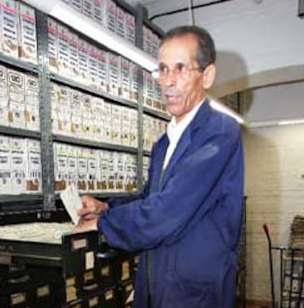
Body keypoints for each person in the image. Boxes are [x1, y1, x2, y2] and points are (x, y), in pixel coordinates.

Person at [74, 25, 244, 308]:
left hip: (194, 294)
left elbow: (165, 213)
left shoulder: (219, 132)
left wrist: (102, 225)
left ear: (208, 75)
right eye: (163, 69)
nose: (168, 81)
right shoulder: (165, 143)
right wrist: (107, 208)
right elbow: (151, 199)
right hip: (158, 283)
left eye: (180, 68)